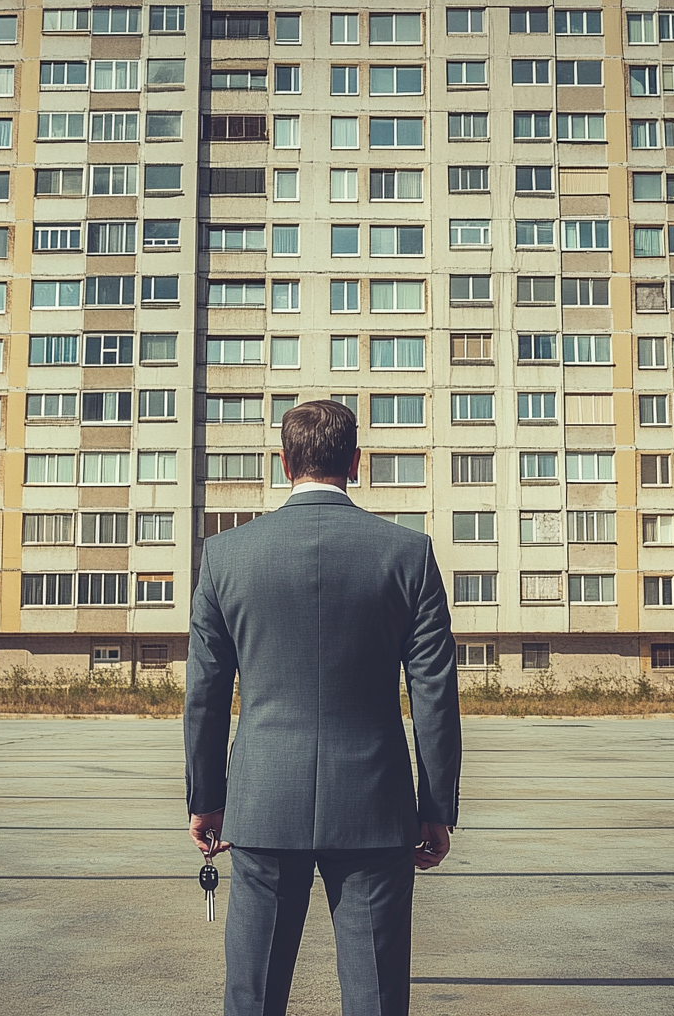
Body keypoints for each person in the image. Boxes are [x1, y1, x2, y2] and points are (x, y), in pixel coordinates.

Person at [185, 399, 462, 1016]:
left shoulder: (224, 556)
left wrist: (207, 799)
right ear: (355, 463)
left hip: (262, 804)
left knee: (252, 994)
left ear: (284, 462)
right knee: (376, 995)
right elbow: (435, 693)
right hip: (374, 804)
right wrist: (436, 805)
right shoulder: (407, 555)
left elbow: (204, 691)